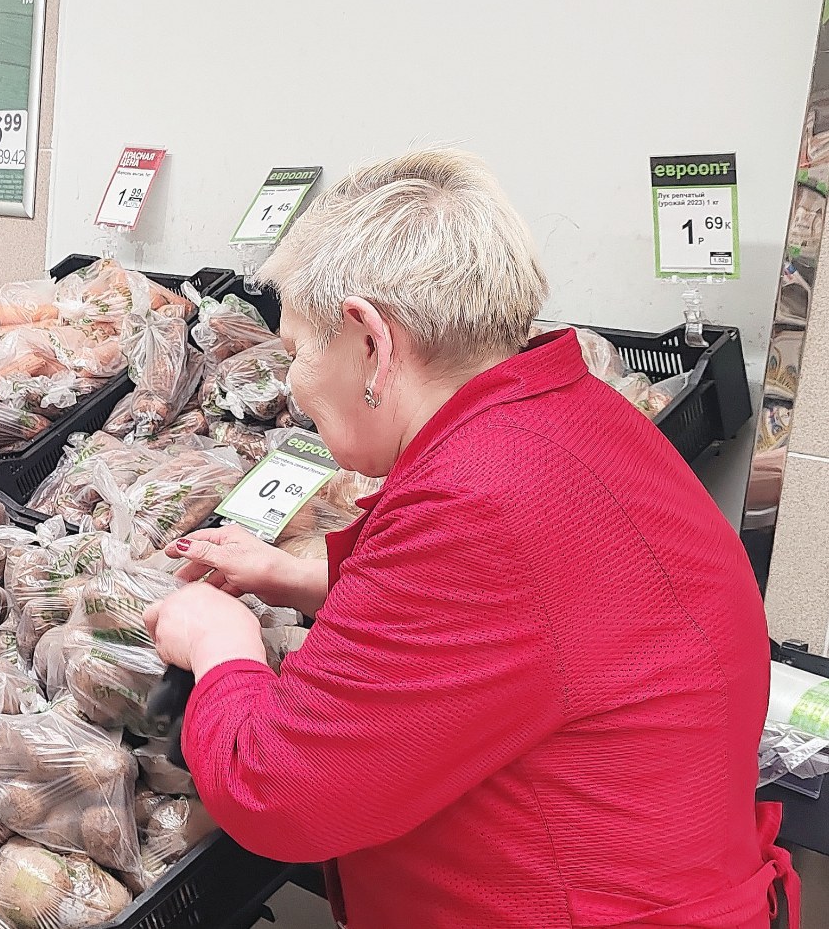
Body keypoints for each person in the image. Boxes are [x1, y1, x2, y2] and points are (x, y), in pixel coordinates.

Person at [143, 150, 796, 929]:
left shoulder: (478, 500)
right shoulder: (575, 415)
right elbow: (548, 628)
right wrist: (302, 576)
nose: (292, 383)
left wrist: (224, 646)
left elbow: (280, 792)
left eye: (296, 352)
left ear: (372, 344)